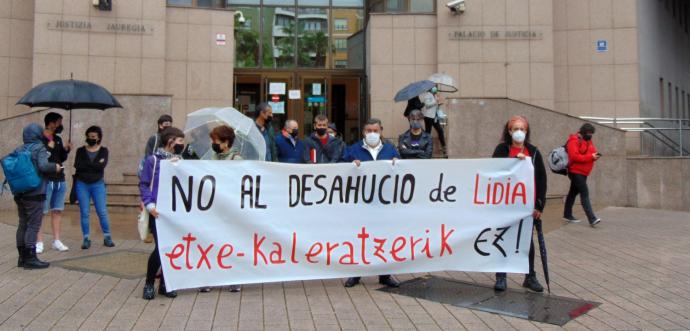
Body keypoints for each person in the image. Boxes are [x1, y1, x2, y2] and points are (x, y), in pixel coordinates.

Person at [341, 118, 400, 288]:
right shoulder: (353, 150)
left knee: (384, 238)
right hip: (361, 202)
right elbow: (340, 168)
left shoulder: (390, 149)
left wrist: (398, 163)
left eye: (375, 130)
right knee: (360, 238)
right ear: (363, 132)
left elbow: (402, 170)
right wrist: (350, 166)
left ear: (381, 130)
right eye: (369, 131)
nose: (372, 134)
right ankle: (356, 274)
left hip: (384, 202)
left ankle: (385, 275)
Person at [492, 115, 547, 293]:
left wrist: (539, 205)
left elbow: (541, 179)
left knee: (527, 241)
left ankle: (530, 276)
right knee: (503, 239)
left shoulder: (534, 151)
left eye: (522, 129)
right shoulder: (502, 149)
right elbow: (493, 171)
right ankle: (501, 276)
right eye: (515, 128)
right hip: (505, 205)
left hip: (526, 207)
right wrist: (514, 163)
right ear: (509, 131)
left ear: (527, 131)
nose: (519, 132)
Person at [140, 127, 186, 300]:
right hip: (158, 211)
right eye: (180, 141)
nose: (183, 145)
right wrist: (149, 204)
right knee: (161, 248)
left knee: (172, 248)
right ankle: (149, 283)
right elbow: (144, 183)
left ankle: (166, 284)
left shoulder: (181, 161)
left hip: (175, 211)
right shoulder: (153, 160)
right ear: (171, 141)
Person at [197, 125, 243, 293]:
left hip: (229, 209)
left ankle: (234, 278)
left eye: (216, 141)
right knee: (210, 242)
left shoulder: (236, 160)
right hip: (212, 207)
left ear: (226, 142)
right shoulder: (212, 157)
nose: (213, 144)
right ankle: (208, 278)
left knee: (230, 243)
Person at [13, 123, 60, 269]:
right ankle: (31, 259)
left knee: (22, 224)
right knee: (33, 224)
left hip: (20, 192)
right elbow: (43, 166)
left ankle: (22, 258)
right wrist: (55, 167)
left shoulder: (19, 149)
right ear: (38, 134)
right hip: (35, 192)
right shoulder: (39, 148)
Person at [73, 126, 114, 249]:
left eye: (94, 137)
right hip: (82, 184)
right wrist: (95, 165)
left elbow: (101, 166)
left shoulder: (104, 151)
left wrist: (89, 165)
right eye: (89, 136)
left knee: (102, 212)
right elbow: (78, 165)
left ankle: (107, 237)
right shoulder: (80, 151)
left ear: (99, 138)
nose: (91, 139)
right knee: (84, 212)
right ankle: (86, 238)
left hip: (98, 184)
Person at [35, 112, 71, 254]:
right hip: (46, 179)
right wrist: (48, 147)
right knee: (42, 212)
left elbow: (61, 157)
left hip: (59, 179)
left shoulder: (57, 138)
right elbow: (41, 159)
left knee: (57, 210)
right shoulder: (40, 139)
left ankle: (56, 240)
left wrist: (66, 150)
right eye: (58, 122)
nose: (60, 125)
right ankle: (39, 241)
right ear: (51, 123)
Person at [563, 123, 601, 227]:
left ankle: (567, 214)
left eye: (591, 133)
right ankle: (592, 218)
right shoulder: (574, 140)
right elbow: (574, 157)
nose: (590, 135)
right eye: (588, 133)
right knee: (584, 193)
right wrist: (591, 157)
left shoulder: (588, 140)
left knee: (572, 193)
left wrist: (595, 155)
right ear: (583, 131)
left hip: (583, 173)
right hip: (575, 171)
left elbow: (592, 151)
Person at [419, 87, 447, 156]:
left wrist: (438, 104)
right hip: (428, 117)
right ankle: (426, 149)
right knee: (428, 133)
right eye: (434, 87)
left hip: (434, 117)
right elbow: (427, 105)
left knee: (440, 131)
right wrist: (436, 101)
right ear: (430, 88)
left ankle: (444, 148)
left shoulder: (433, 95)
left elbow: (434, 106)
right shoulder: (427, 95)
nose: (436, 89)